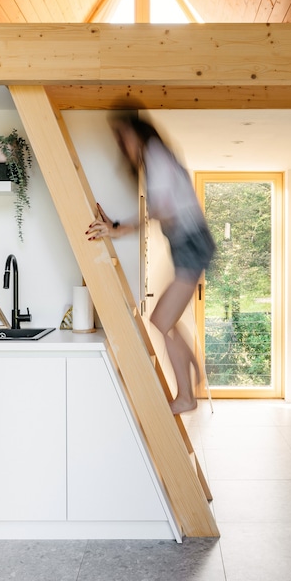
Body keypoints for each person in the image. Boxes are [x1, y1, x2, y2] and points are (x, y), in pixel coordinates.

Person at [86, 113, 215, 414]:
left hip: (191, 243)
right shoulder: (156, 156)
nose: (122, 144)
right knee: (165, 320)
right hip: (189, 243)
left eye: (123, 136)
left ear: (136, 133)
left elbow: (162, 212)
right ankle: (194, 366)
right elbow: (160, 211)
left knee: (161, 320)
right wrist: (119, 226)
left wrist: (119, 228)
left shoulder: (155, 155)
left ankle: (186, 396)